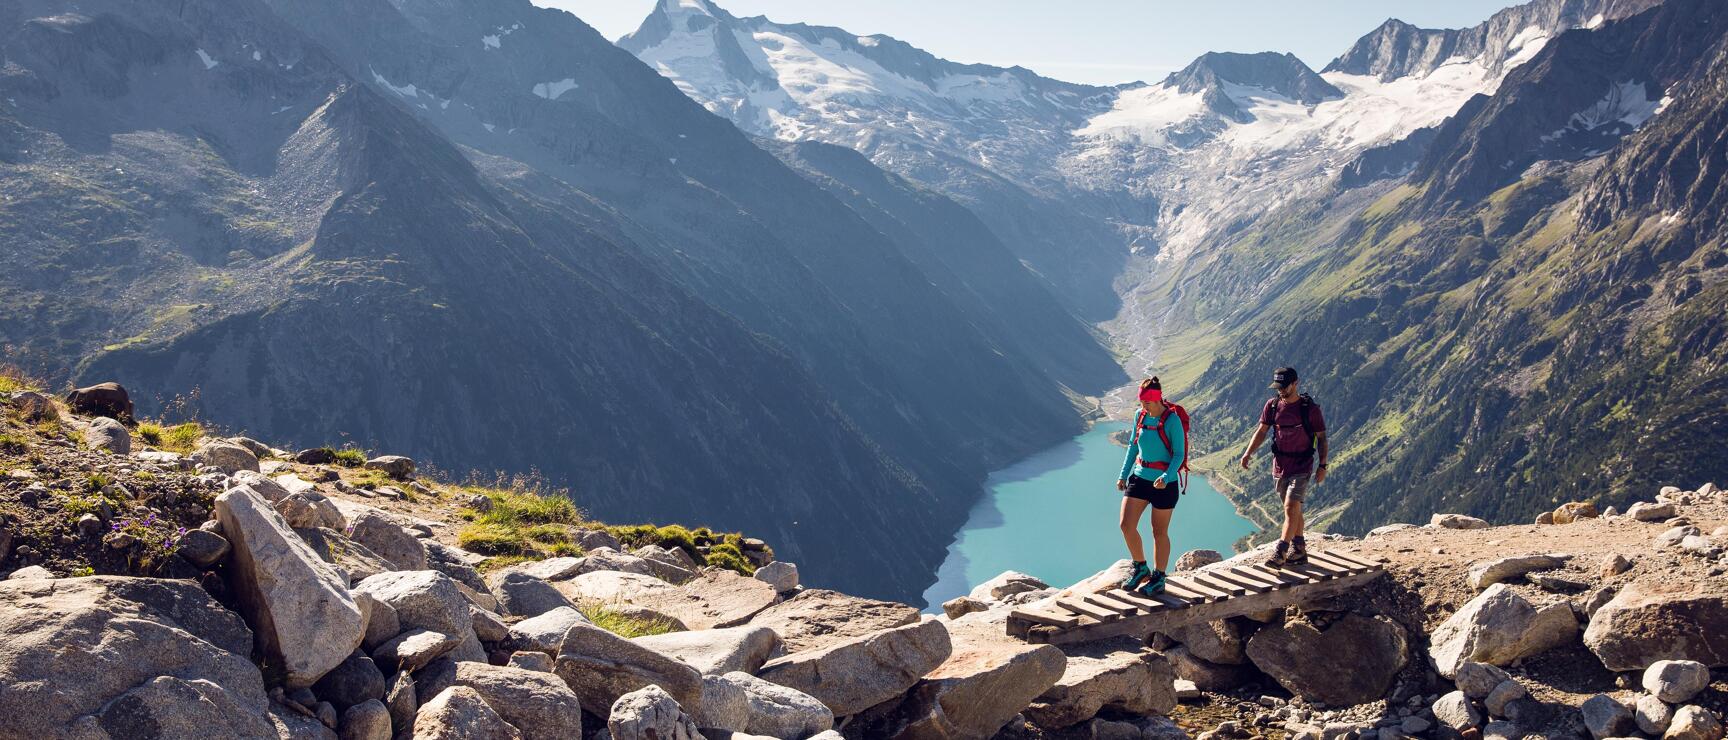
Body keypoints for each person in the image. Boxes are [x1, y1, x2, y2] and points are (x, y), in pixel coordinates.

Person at [1238, 367, 1328, 567]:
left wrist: (1322, 465)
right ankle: (1300, 549)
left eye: (1284, 387)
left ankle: (1280, 552)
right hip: (1280, 466)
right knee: (1294, 511)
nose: (1280, 391)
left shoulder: (1310, 410)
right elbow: (1261, 432)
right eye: (1277, 387)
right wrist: (1248, 452)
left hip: (1302, 465)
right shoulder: (1272, 406)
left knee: (1290, 507)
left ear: (1296, 383)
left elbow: (1322, 438)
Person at [1117, 377, 1185, 595]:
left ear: (1157, 400)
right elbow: (1133, 447)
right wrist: (1123, 475)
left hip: (1165, 484)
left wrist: (1166, 476)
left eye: (1147, 403)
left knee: (1159, 532)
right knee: (1126, 525)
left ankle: (1159, 577)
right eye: (1141, 402)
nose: (1143, 407)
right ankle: (1140, 567)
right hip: (1140, 477)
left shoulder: (1172, 420)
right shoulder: (1140, 416)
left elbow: (1179, 454)